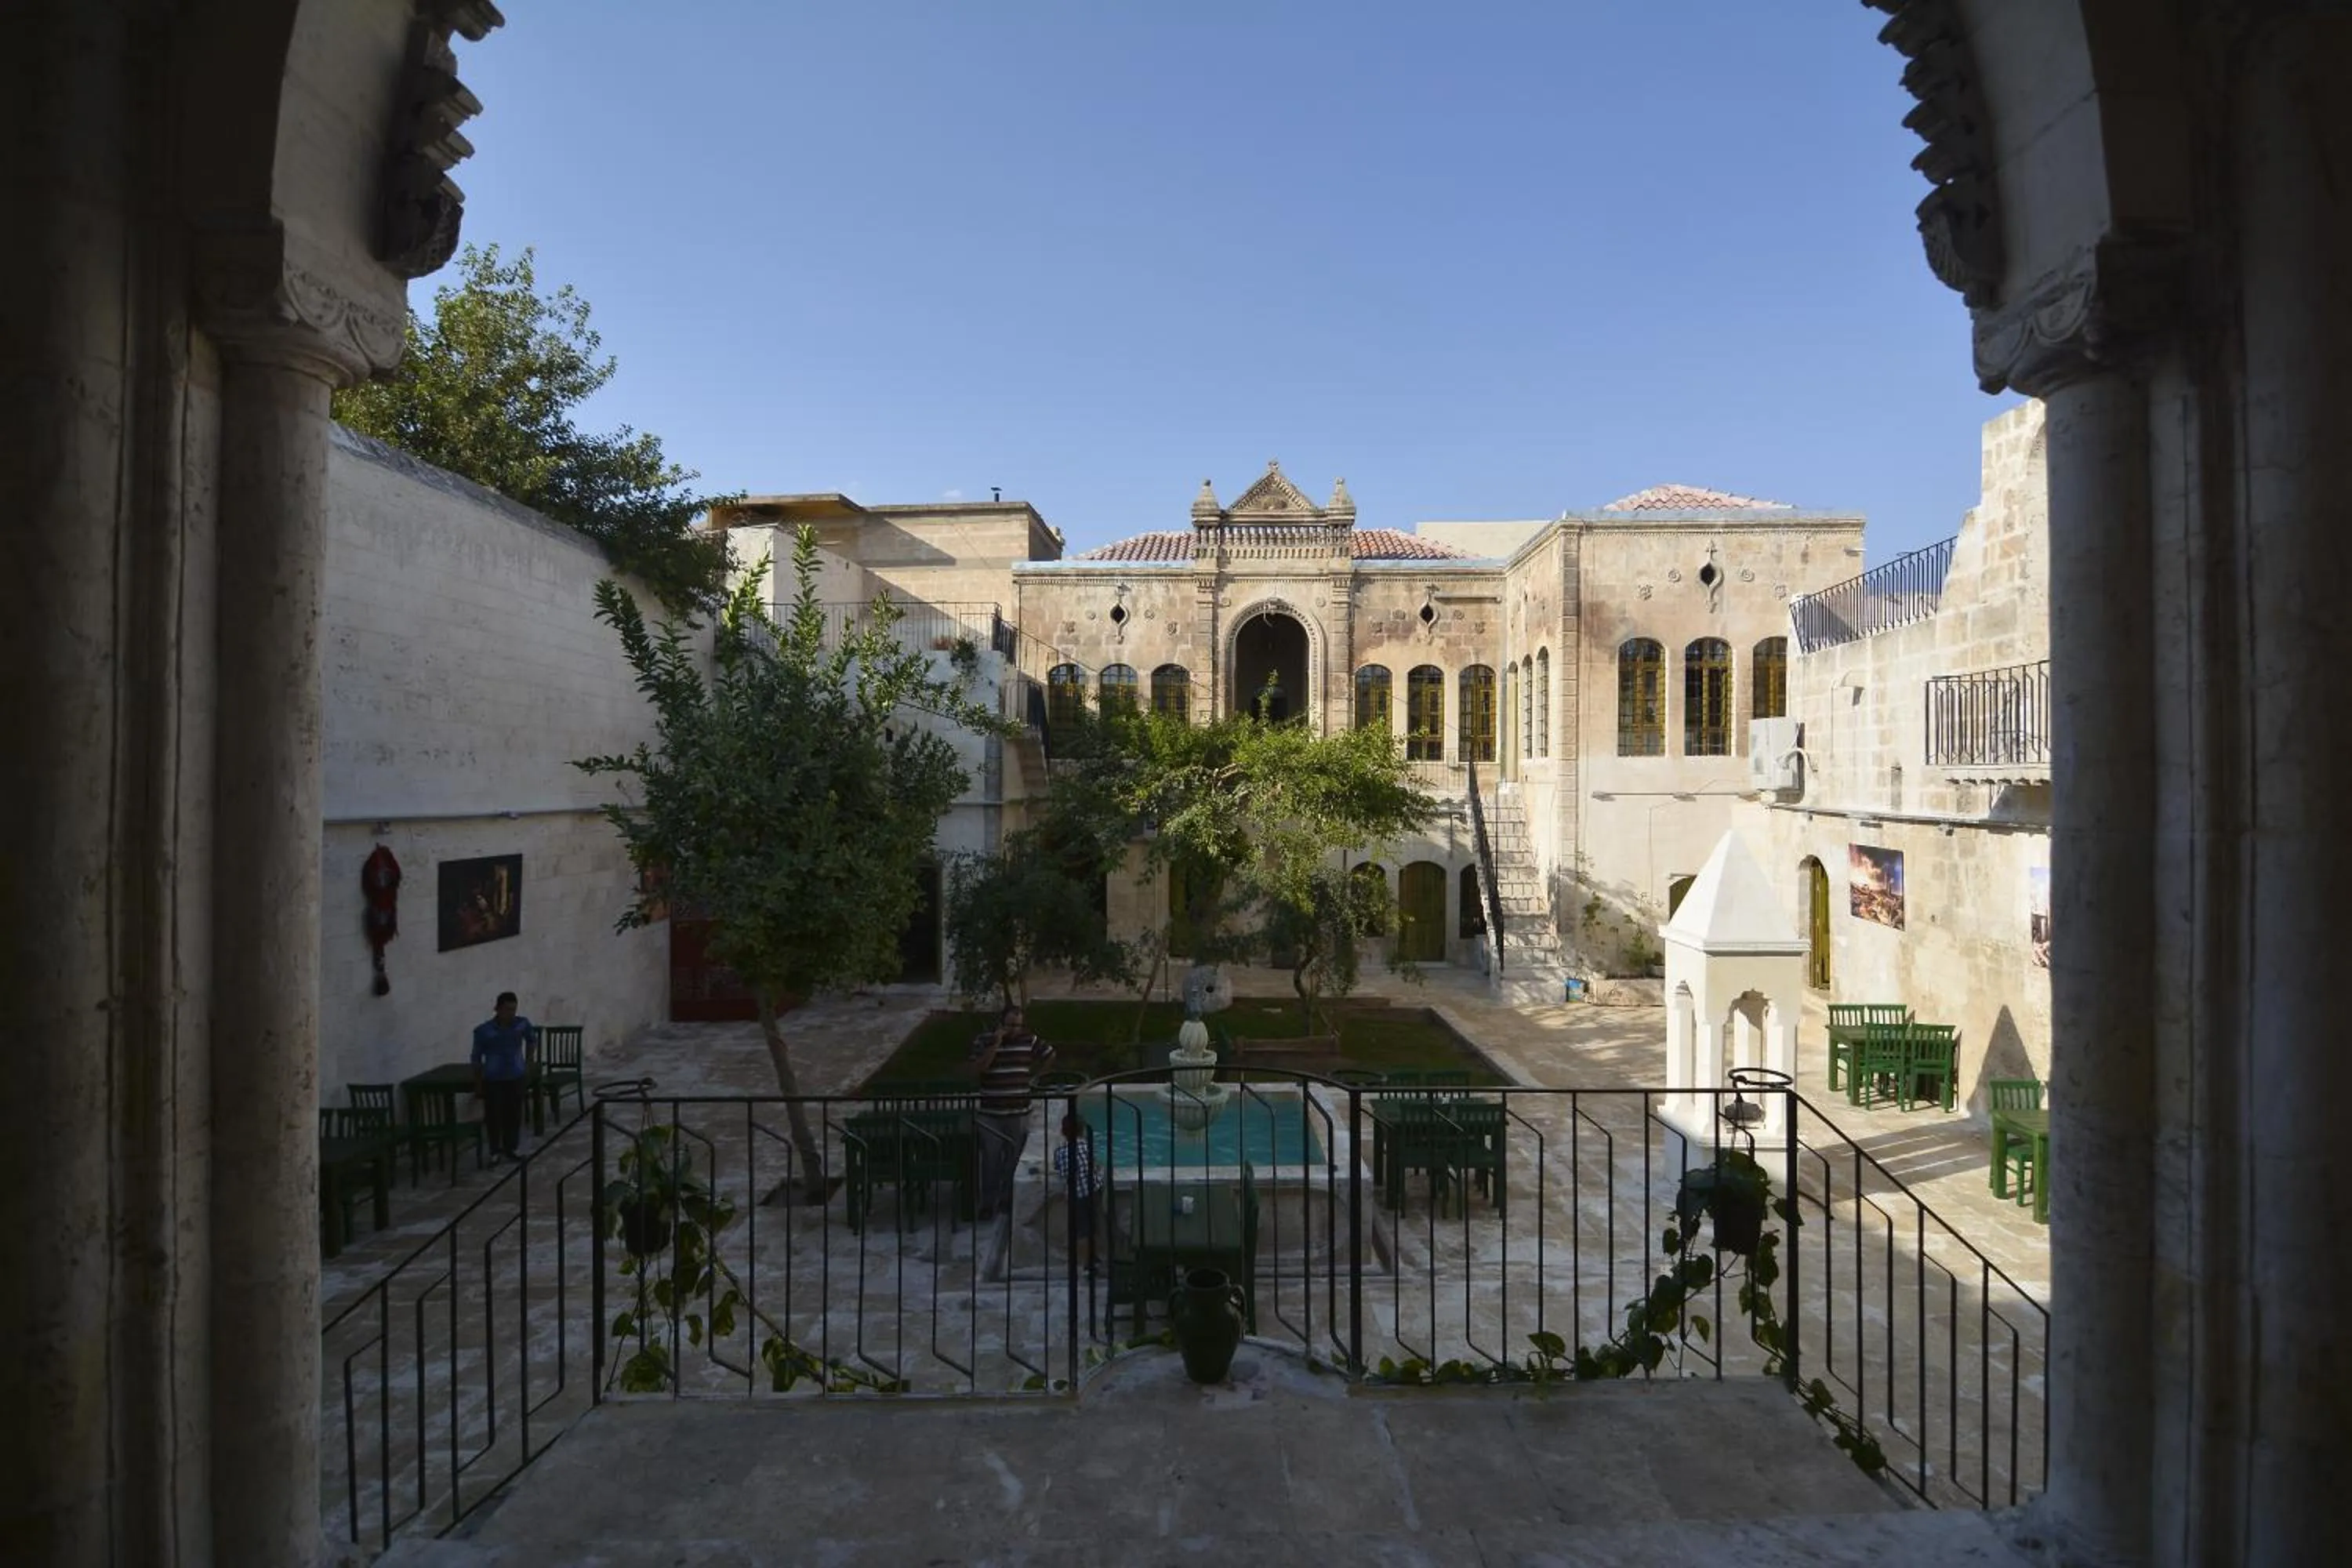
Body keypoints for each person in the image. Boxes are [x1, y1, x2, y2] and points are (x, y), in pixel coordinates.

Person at [971, 1004, 1052, 1221]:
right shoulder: (983, 1041)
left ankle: (1007, 1201)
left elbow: (1050, 1054)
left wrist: (1036, 1077)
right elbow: (980, 1068)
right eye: (1011, 1025)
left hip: (1018, 1111)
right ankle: (988, 1204)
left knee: (1013, 1161)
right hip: (991, 1114)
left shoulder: (1029, 1040)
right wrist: (996, 1043)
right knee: (990, 1160)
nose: (1015, 1030)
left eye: (1019, 1025)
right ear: (1001, 1024)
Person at [471, 991, 537, 1163]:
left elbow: (532, 1040)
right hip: (494, 1079)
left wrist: (528, 1063)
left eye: (514, 1009)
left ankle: (511, 1148)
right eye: (507, 1009)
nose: (511, 1014)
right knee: (494, 1116)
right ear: (497, 1009)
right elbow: (476, 1058)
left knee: (514, 1114)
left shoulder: (521, 1024)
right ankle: (494, 1151)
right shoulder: (484, 1031)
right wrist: (478, 1083)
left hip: (516, 1075)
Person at [1052, 1110, 1101, 1276]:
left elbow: (1061, 1171)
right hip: (1094, 1190)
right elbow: (1095, 1164)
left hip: (1077, 1195)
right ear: (1082, 1131)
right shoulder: (1087, 1146)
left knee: (1081, 1230)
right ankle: (1092, 1260)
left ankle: (1087, 1264)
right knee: (1092, 1226)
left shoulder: (1060, 1151)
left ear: (1063, 1132)